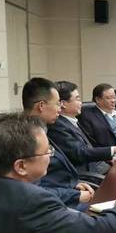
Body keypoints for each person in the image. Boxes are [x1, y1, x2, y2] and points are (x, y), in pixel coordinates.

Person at [23, 77, 95, 208]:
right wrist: (73, 195)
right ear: (41, 106)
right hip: (53, 205)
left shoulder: (41, 128)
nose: (60, 108)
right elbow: (34, 190)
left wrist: (73, 185)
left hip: (63, 192)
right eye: (57, 103)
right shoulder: (25, 137)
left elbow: (52, 175)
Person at [48, 81, 116, 175]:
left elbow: (89, 146)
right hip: (89, 174)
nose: (80, 103)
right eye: (77, 99)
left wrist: (106, 158)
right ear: (63, 104)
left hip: (100, 164)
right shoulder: (58, 126)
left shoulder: (72, 121)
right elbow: (80, 153)